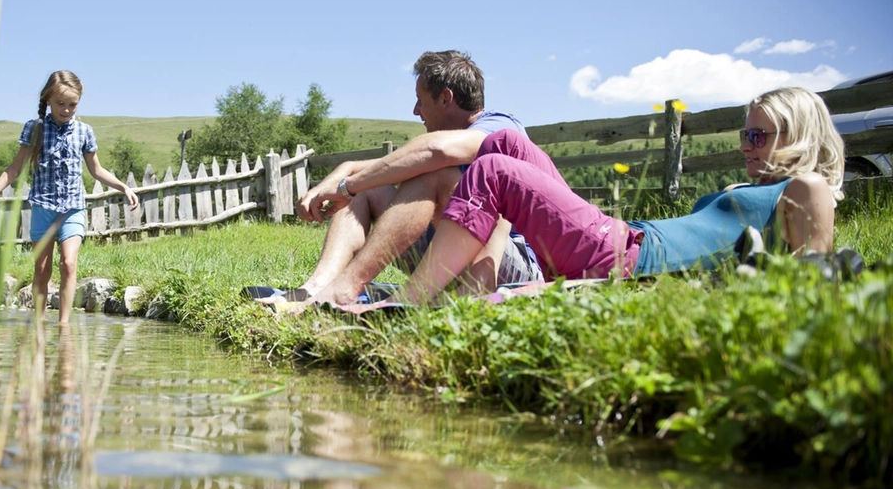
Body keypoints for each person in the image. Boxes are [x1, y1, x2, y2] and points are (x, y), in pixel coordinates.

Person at [359, 86, 842, 309]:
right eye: (745, 134)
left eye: (758, 136)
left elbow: (804, 291)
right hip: (624, 240)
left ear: (797, 135)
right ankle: (448, 287)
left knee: (493, 170)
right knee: (506, 144)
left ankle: (413, 300)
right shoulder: (757, 191)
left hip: (627, 256)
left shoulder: (808, 187)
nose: (743, 145)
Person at [290, 50, 544, 306]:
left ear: (446, 98)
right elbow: (397, 166)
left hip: (509, 266)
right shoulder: (449, 144)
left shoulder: (502, 128)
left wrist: (346, 186)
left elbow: (436, 152)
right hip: (450, 255)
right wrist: (349, 169)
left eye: (420, 100)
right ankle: (316, 287)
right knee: (369, 187)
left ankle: (347, 288)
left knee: (434, 173)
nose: (415, 110)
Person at [0, 70, 139, 323]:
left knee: (68, 264)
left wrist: (124, 187)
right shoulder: (34, 128)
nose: (66, 110)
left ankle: (64, 326)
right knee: (42, 270)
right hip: (43, 208)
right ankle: (39, 324)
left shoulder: (84, 131)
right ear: (47, 100)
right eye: (60, 104)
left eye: (72, 105)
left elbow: (96, 170)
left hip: (73, 209)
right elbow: (15, 168)